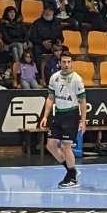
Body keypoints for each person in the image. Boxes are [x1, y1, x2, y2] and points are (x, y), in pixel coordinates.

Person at [38, 51, 86, 188]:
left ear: (72, 63)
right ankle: (72, 171)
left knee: (66, 146)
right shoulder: (54, 78)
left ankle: (72, 178)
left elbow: (83, 101)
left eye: (69, 62)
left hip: (71, 115)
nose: (66, 64)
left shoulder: (77, 79)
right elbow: (50, 98)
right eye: (64, 62)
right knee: (51, 145)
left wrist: (83, 121)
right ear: (60, 63)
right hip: (58, 114)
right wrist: (45, 116)